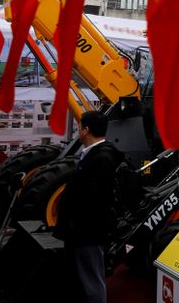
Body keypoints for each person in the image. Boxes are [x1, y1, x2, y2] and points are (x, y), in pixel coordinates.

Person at [55, 110, 124, 303]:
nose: (78, 131)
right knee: (84, 279)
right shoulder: (96, 155)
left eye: (79, 127)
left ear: (86, 130)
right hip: (82, 232)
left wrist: (75, 224)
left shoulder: (101, 159)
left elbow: (95, 200)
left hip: (87, 233)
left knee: (91, 281)